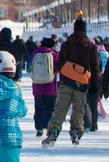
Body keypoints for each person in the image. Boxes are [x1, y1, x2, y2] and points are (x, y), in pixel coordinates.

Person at [42, 18, 100, 148]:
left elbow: (60, 62)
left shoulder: (67, 44)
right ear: (85, 30)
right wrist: (95, 84)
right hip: (82, 84)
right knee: (78, 110)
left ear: (74, 29)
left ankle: (53, 131)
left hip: (66, 82)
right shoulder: (91, 46)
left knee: (60, 109)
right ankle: (75, 131)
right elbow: (95, 67)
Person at [28, 37, 58, 137]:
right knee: (50, 108)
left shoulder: (35, 53)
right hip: (50, 87)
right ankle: (46, 126)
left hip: (37, 86)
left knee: (38, 108)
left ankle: (39, 127)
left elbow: (30, 67)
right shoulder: (54, 55)